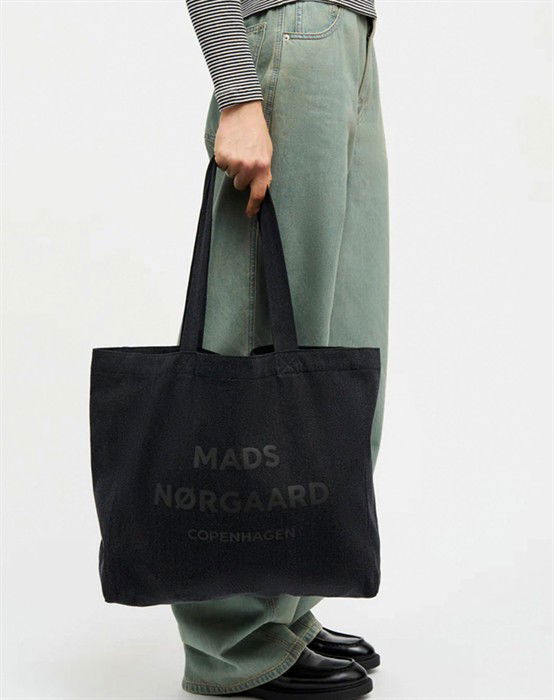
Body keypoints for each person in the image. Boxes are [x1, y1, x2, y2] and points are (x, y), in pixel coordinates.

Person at [172, 0, 389, 697]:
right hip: (287, 36)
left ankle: (283, 603)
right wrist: (238, 93)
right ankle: (233, 637)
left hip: (345, 42)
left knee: (336, 351)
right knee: (254, 338)